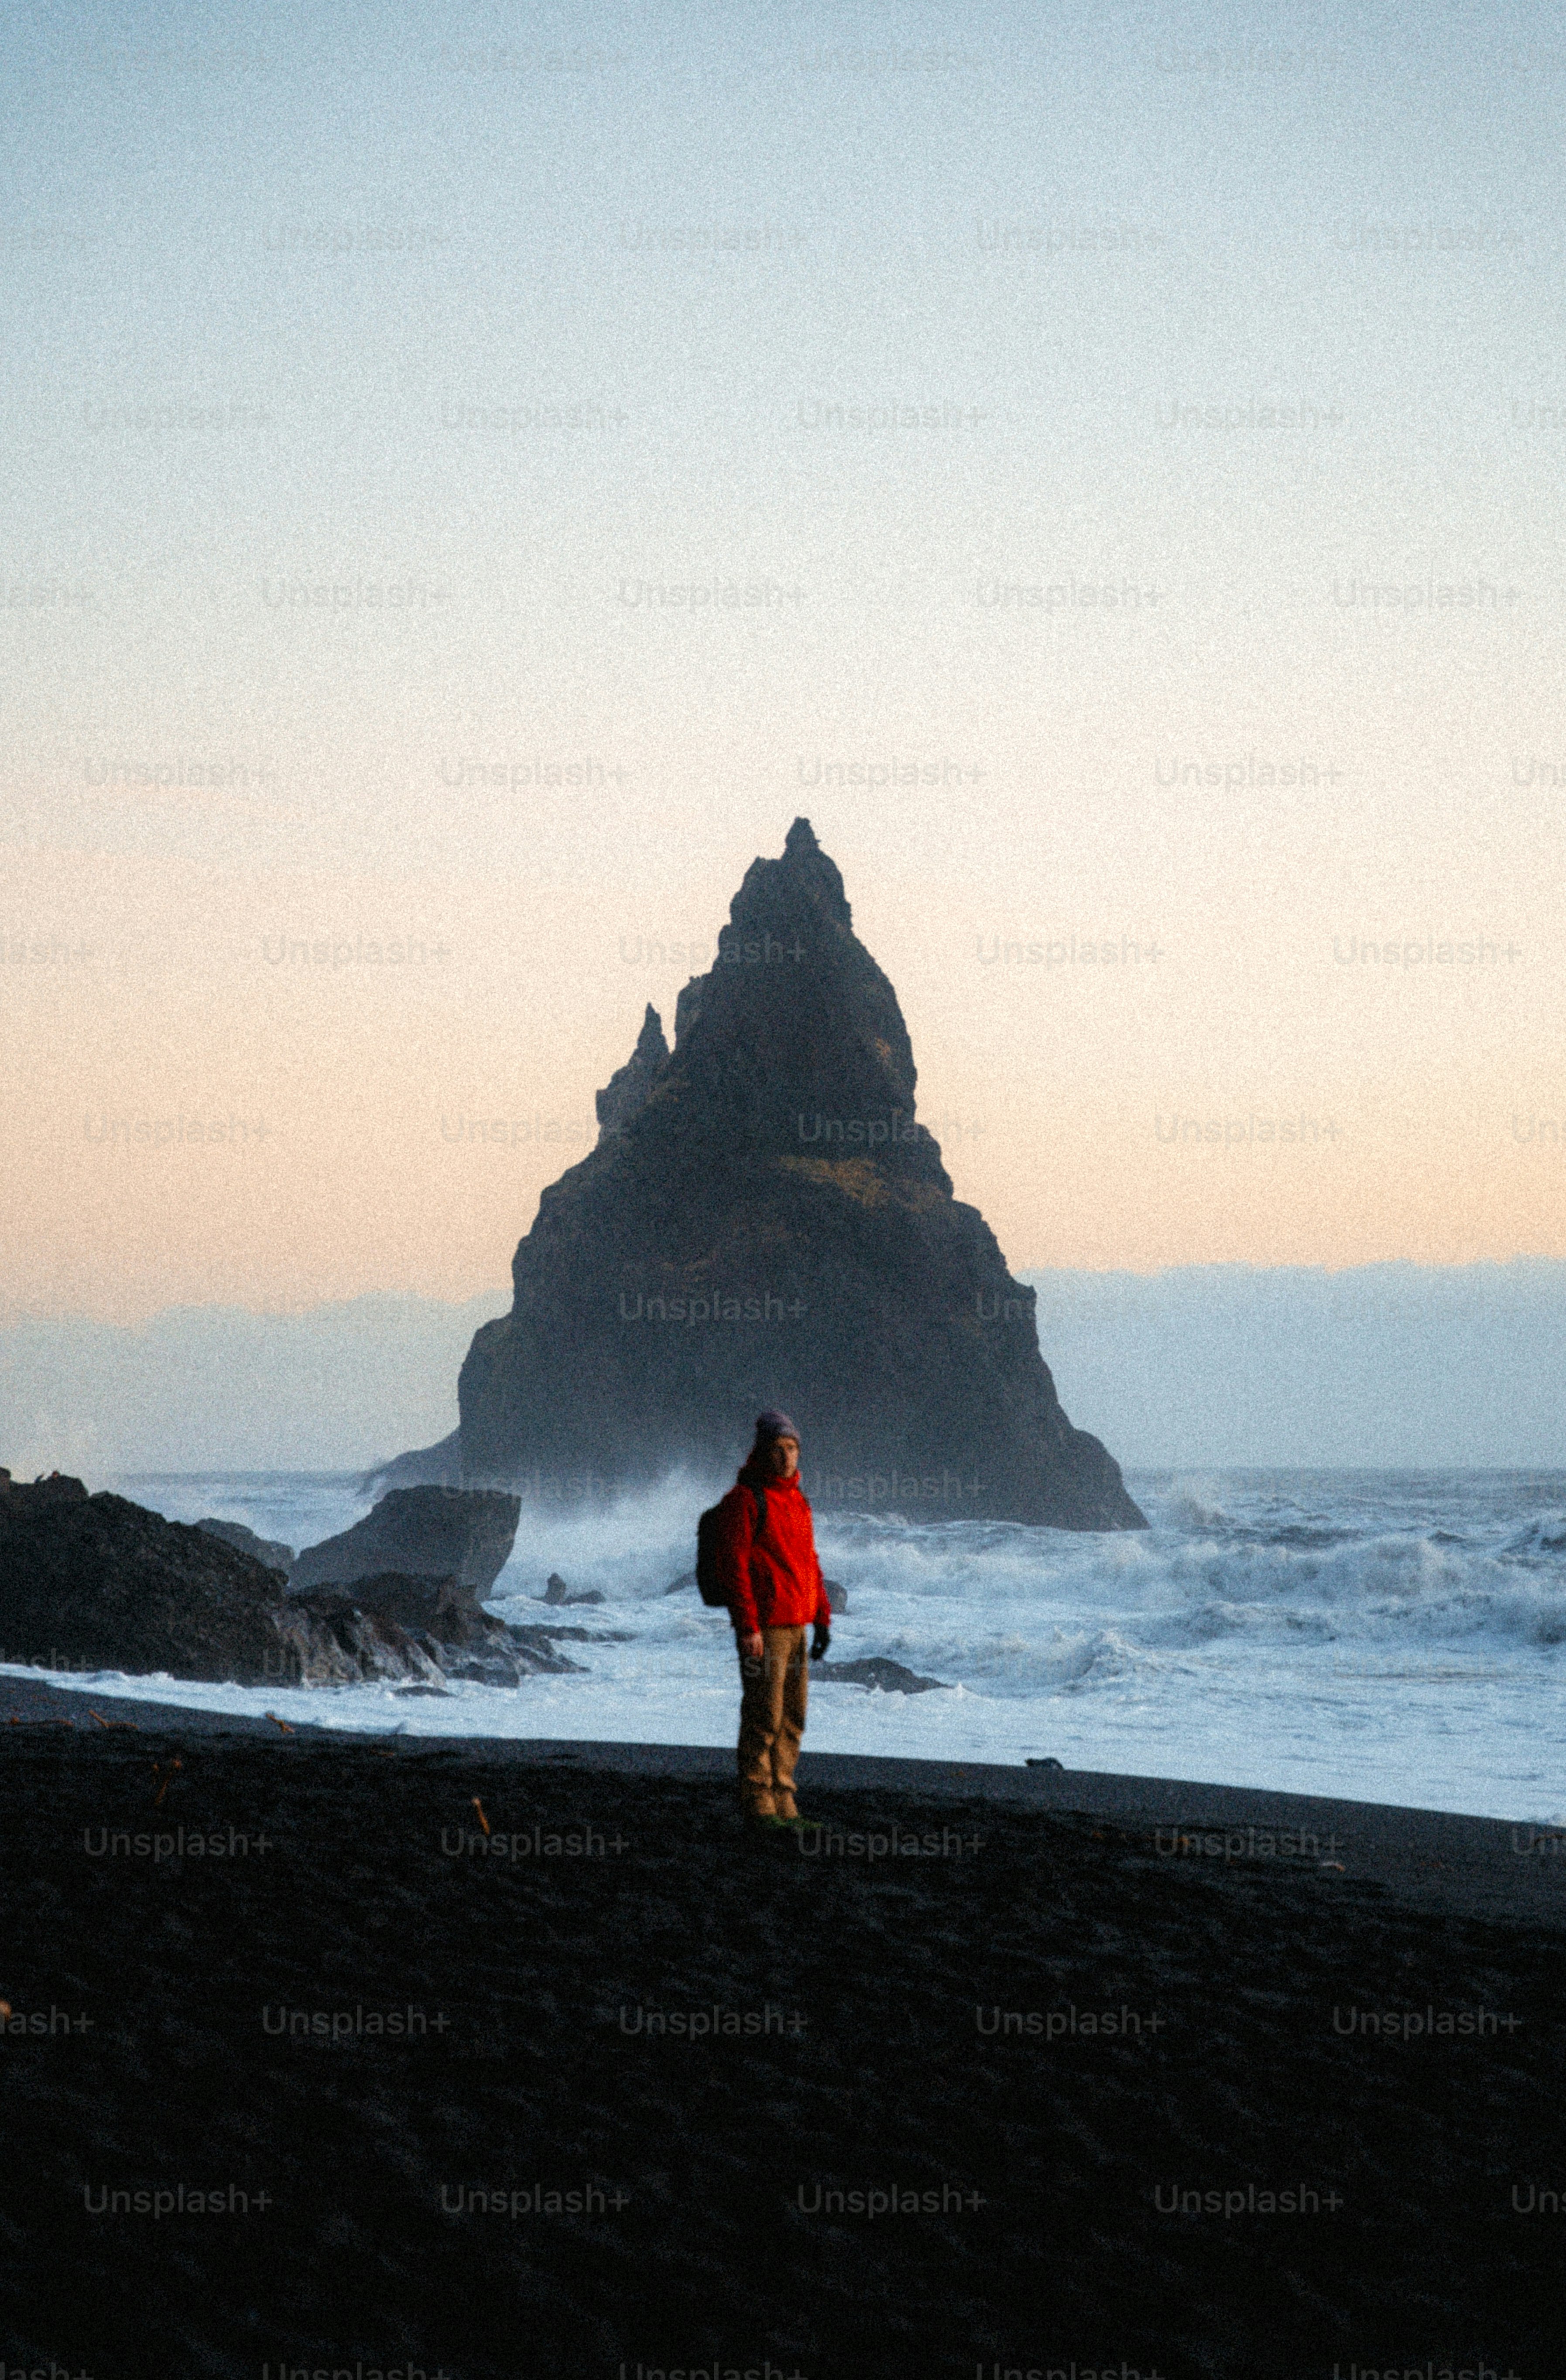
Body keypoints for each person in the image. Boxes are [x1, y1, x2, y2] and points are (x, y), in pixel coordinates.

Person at [714, 1409, 833, 1832]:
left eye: (792, 1448)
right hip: (765, 1628)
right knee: (764, 1714)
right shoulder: (747, 1500)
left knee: (793, 1716)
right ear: (763, 1452)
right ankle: (757, 1801)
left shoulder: (798, 1500)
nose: (786, 1457)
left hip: (797, 1624)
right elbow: (735, 1567)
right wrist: (747, 1627)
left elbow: (809, 1563)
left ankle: (784, 1799)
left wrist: (821, 1619)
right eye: (778, 1449)